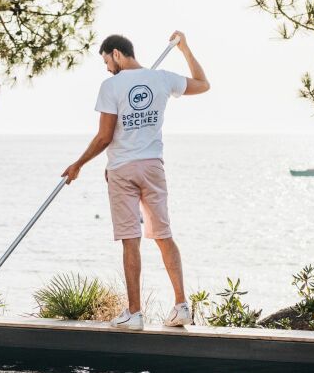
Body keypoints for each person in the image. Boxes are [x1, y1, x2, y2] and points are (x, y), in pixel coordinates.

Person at [62, 31, 210, 330]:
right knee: (163, 235)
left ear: (117, 54)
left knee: (131, 240)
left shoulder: (111, 86)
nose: (106, 68)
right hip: (153, 166)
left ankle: (134, 314)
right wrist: (185, 48)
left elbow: (105, 136)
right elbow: (203, 84)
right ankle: (181, 306)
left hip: (122, 171)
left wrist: (78, 164)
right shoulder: (163, 78)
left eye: (107, 61)